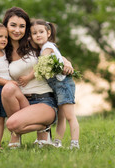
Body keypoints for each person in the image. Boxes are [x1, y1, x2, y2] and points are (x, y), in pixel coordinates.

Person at [0, 7, 74, 149]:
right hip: (21, 101)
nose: (17, 30)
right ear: (5, 26)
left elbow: (53, 52)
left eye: (22, 26)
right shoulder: (3, 51)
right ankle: (39, 129)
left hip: (44, 100)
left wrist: (67, 62)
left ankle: (33, 130)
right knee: (8, 89)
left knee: (12, 124)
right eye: (13, 25)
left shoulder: (32, 43)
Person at [30, 19, 80, 149]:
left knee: (70, 116)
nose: (38, 35)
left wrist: (28, 76)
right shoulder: (47, 47)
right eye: (34, 33)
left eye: (41, 32)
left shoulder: (47, 47)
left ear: (48, 33)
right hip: (57, 86)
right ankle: (58, 142)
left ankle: (75, 143)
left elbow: (43, 64)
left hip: (63, 84)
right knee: (61, 118)